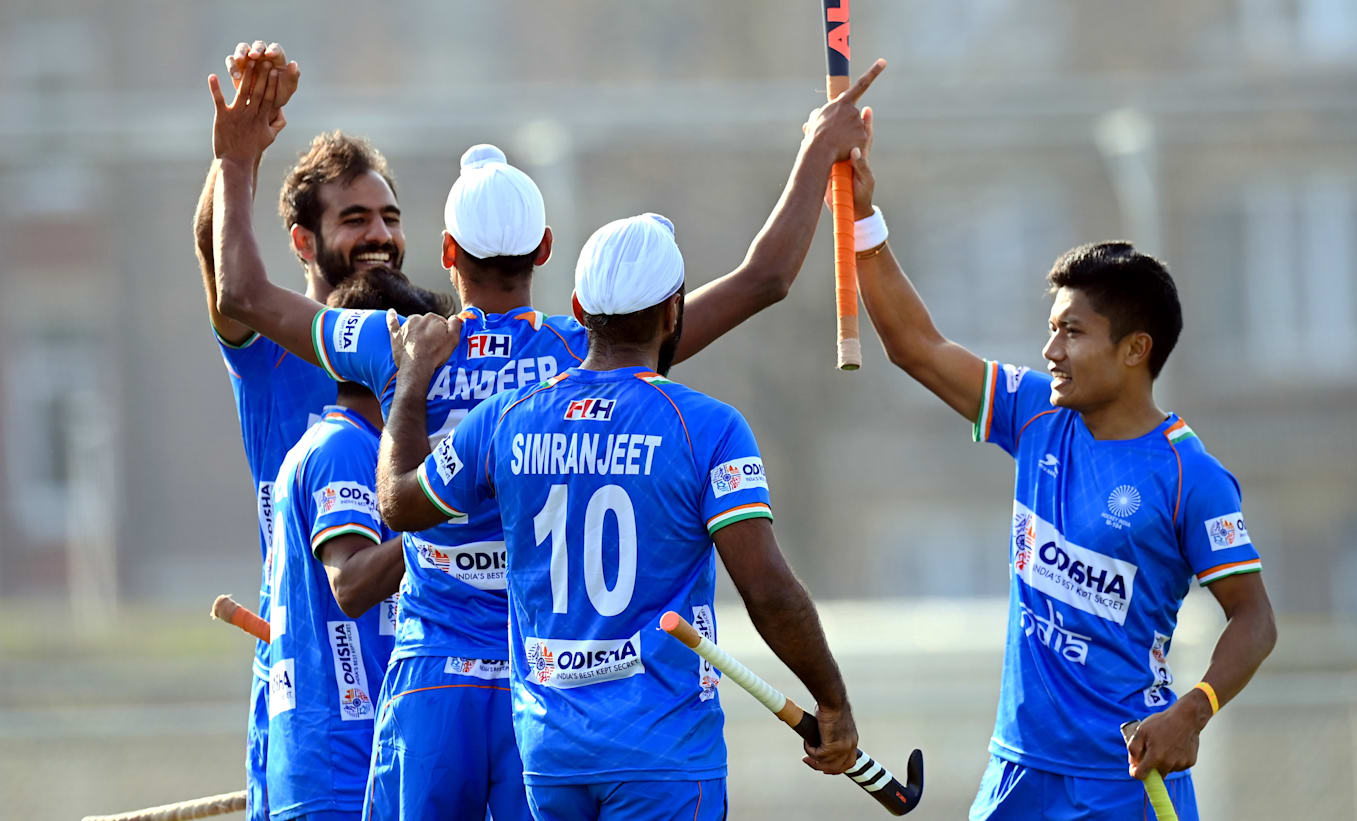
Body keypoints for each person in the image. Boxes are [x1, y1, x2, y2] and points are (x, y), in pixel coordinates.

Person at [207, 51, 886, 820]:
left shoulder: (398, 343)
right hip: (534, 699)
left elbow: (243, 294)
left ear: (448, 253)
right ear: (544, 249)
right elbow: (764, 278)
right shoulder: (581, 353)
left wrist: (235, 158)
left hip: (433, 683)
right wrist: (817, 150)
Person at [840, 118, 1278, 819]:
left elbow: (1254, 619)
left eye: (1072, 332)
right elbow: (915, 345)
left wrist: (1193, 710)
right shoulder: (1034, 412)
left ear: (1135, 349)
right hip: (1018, 773)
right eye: (1052, 329)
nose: (1051, 350)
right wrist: (862, 216)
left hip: (1124, 781)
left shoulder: (1190, 476)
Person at [376, 213, 859, 820]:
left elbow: (398, 503)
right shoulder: (710, 427)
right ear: (672, 313)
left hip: (551, 758)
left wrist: (411, 381)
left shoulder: (505, 418)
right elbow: (766, 588)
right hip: (665, 756)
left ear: (579, 309)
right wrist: (832, 701)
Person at [191, 40, 415, 821]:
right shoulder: (268, 350)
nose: (380, 234)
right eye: (355, 219)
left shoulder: (417, 340)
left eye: (390, 216)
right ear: (301, 241)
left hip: (421, 680)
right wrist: (239, 155)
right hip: (314, 687)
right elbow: (219, 259)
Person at [264, 267, 449, 821]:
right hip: (341, 764)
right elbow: (349, 582)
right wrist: (446, 518)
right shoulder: (343, 447)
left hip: (346, 762)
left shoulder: (352, 442)